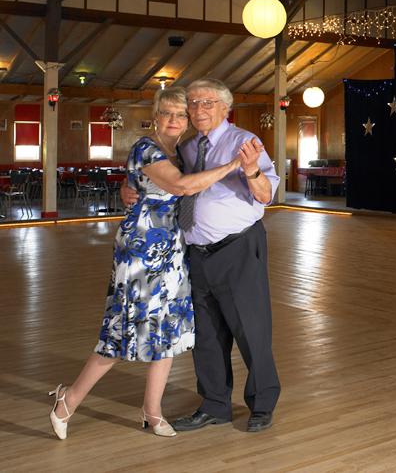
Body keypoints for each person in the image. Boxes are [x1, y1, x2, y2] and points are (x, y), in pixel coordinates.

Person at [49, 87, 254, 440]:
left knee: (169, 332)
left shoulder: (183, 153)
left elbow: (155, 189)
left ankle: (152, 412)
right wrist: (236, 163)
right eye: (167, 113)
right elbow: (181, 188)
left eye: (181, 114)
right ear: (155, 116)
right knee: (123, 333)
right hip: (141, 253)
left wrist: (128, 191)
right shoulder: (146, 148)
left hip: (173, 252)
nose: (175, 120)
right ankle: (68, 399)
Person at [121, 78, 281, 433]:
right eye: (193, 103)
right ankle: (214, 405)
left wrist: (251, 169)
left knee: (251, 329)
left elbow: (265, 194)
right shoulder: (190, 147)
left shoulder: (244, 142)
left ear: (226, 108)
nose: (198, 109)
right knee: (205, 335)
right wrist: (127, 186)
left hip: (238, 247)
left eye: (208, 102)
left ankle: (262, 403)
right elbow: (162, 178)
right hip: (195, 253)